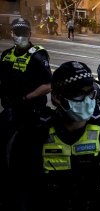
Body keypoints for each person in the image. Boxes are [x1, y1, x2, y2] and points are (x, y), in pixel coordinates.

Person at [8, 61, 100, 211]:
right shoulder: (33, 133)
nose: (87, 100)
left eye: (90, 92)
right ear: (56, 98)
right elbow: (18, 188)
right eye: (77, 94)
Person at [0, 17, 52, 208]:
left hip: (31, 111)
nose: (20, 36)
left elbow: (47, 85)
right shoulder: (6, 55)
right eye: (16, 32)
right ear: (11, 33)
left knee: (30, 154)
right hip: (11, 110)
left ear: (30, 34)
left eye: (24, 32)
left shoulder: (38, 55)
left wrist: (25, 98)